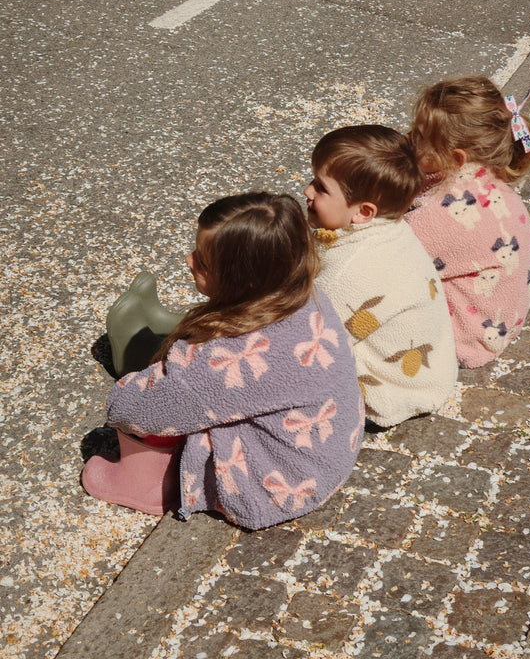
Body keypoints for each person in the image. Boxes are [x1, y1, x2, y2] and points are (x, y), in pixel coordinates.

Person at [82, 192, 364, 528]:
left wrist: (139, 384)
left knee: (165, 402)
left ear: (239, 281)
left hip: (273, 487)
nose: (188, 260)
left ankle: (149, 485)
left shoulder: (229, 360)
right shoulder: (306, 298)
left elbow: (133, 411)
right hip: (326, 457)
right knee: (188, 384)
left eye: (202, 262)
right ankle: (164, 340)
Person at [304, 125, 457, 428]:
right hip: (430, 374)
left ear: (363, 212)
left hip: (391, 392)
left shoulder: (348, 270)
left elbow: (313, 337)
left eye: (321, 188)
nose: (308, 190)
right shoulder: (389, 230)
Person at [404, 76, 530, 368]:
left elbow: (389, 252)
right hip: (501, 318)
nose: (407, 137)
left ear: (453, 157)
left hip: (466, 339)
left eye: (418, 136)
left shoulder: (446, 210)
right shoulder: (490, 182)